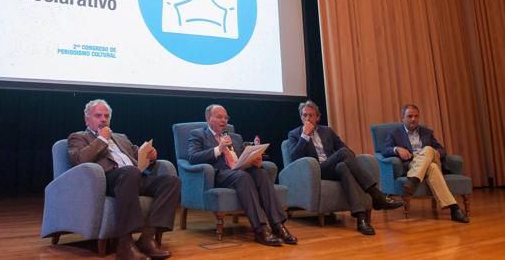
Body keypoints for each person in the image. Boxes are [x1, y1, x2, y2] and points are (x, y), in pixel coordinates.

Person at [68, 99, 181, 260]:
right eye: (98, 116)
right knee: (130, 172)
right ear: (87, 119)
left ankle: (147, 238)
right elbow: (80, 159)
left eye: (106, 116)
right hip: (108, 180)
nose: (103, 119)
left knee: (172, 181)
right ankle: (125, 244)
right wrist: (102, 139)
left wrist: (151, 156)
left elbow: (138, 155)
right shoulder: (79, 137)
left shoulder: (120, 137)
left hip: (134, 177)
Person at [286, 100, 403, 235]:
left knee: (343, 166)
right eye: (304, 115)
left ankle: (361, 219)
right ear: (301, 117)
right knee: (342, 155)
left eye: (311, 115)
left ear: (317, 117)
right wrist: (305, 136)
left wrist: (343, 157)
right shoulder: (294, 134)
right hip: (315, 171)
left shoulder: (327, 132)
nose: (307, 118)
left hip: (333, 168)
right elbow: (294, 158)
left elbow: (348, 151)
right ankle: (376, 194)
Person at [187, 104, 298, 246]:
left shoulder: (235, 137)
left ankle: (278, 226)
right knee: (243, 177)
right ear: (208, 118)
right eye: (219, 117)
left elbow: (243, 156)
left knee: (261, 173)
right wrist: (218, 149)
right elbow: (193, 157)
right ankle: (260, 229)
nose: (223, 120)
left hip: (239, 170)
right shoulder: (198, 135)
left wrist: (255, 159)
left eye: (226, 117)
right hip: (220, 174)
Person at [382, 104, 469, 223]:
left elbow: (442, 149)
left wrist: (437, 152)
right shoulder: (394, 133)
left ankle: (413, 181)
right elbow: (384, 150)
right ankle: (454, 209)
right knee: (431, 167)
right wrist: (396, 149)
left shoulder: (427, 132)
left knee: (428, 149)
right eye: (410, 116)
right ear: (403, 118)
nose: (413, 119)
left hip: (429, 158)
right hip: (413, 164)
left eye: (416, 116)